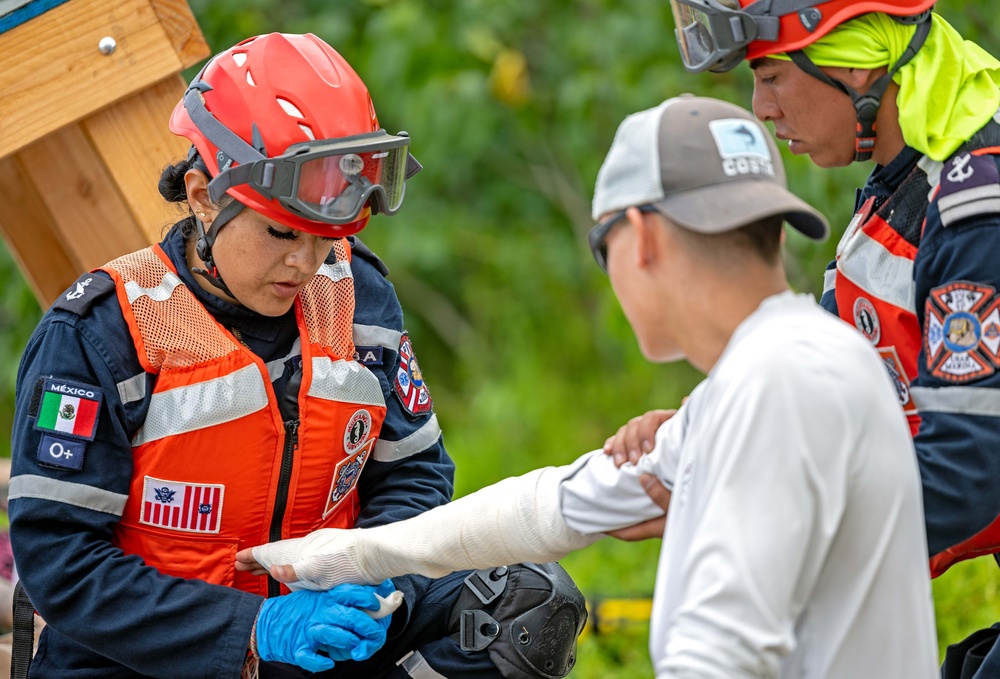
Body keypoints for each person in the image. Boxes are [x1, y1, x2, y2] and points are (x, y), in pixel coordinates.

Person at [239, 94, 939, 678]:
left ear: (641, 239)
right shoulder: (784, 369)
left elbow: (718, 656)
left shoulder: (777, 388)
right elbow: (554, 506)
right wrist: (350, 554)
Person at [7, 33, 585, 679]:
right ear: (203, 194)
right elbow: (63, 563)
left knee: (526, 603)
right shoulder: (99, 334)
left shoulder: (358, 294)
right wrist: (253, 630)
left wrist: (375, 574)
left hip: (321, 633)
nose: (304, 264)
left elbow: (415, 476)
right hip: (156, 655)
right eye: (281, 232)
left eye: (325, 237)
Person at [603, 3, 1000, 675]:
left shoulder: (977, 208)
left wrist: (765, 527)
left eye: (771, 75)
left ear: (855, 61)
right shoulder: (905, 184)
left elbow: (973, 466)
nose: (761, 108)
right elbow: (820, 378)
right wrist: (711, 434)